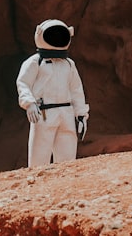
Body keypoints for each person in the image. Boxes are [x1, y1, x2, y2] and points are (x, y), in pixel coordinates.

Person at [16, 19, 89, 167]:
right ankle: (37, 185)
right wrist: (29, 103)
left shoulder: (68, 64)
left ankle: (64, 186)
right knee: (39, 157)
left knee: (67, 159)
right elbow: (23, 83)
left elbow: (76, 90)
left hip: (66, 113)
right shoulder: (35, 62)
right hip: (44, 113)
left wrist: (81, 115)